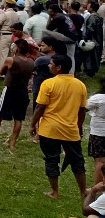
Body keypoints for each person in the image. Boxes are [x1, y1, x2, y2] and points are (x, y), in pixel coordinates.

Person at [31, 53, 88, 201]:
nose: (49, 66)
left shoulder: (48, 83)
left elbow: (40, 107)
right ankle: (83, 192)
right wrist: (79, 126)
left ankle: (54, 191)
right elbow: (82, 110)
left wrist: (32, 124)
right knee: (77, 161)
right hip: (70, 130)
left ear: (58, 67)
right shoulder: (80, 85)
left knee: (51, 159)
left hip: (50, 129)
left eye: (51, 64)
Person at [0, 39, 35, 149]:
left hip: (10, 90)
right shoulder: (31, 62)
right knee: (19, 118)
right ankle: (13, 143)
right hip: (23, 91)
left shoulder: (11, 60)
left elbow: (1, 72)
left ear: (17, 48)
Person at [87, 75, 105, 185]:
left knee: (100, 161)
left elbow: (82, 107)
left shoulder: (98, 98)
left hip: (99, 133)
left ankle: (98, 186)